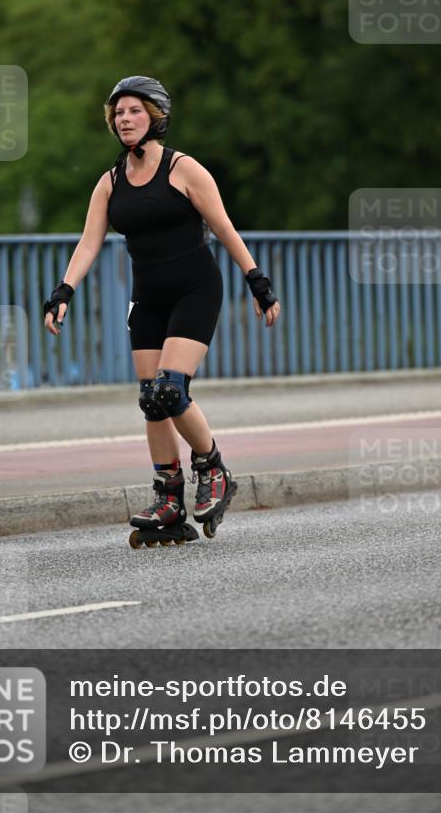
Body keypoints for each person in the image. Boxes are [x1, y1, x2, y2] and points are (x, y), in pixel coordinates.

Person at [44, 75, 281, 542]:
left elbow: (225, 228)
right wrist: (63, 292)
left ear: (155, 117)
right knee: (152, 401)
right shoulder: (110, 183)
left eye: (134, 110)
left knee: (172, 390)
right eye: (118, 112)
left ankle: (213, 468)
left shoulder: (184, 169)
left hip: (196, 288)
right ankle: (169, 498)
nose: (124, 119)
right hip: (148, 299)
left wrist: (258, 282)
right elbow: (89, 244)